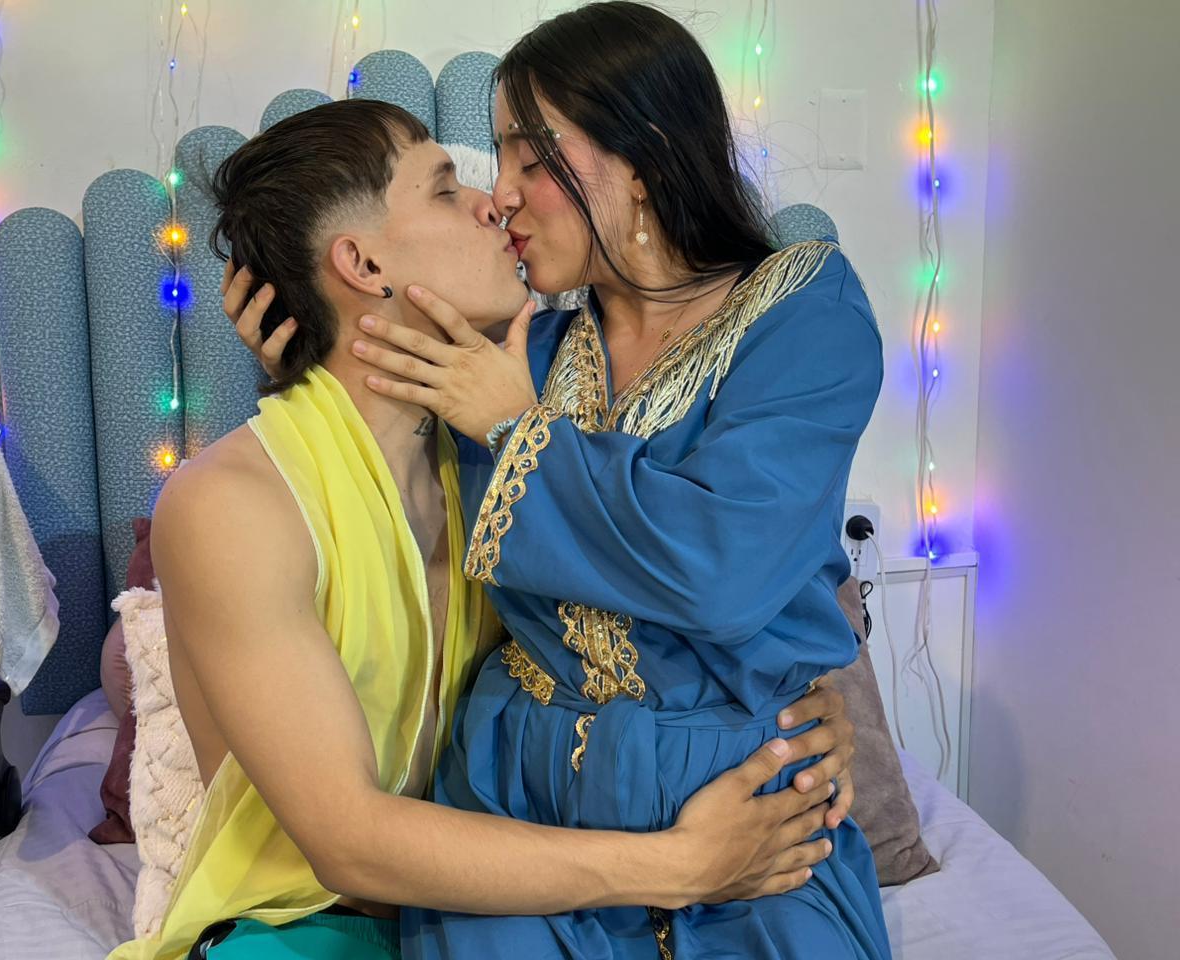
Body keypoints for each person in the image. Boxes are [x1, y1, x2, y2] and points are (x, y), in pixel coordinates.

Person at [111, 95, 855, 960]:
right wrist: (679, 865)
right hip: (302, 927)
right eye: (444, 188)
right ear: (362, 261)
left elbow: (678, 577)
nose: (493, 203)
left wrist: (796, 711)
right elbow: (349, 842)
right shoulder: (230, 505)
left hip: (515, 904)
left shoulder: (491, 464)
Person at [339, 4, 893, 956]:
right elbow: (352, 443)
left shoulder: (804, 313)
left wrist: (518, 432)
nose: (501, 194)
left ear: (645, 154)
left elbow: (722, 570)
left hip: (742, 798)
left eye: (529, 156)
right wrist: (292, 328)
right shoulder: (516, 349)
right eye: (494, 161)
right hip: (517, 795)